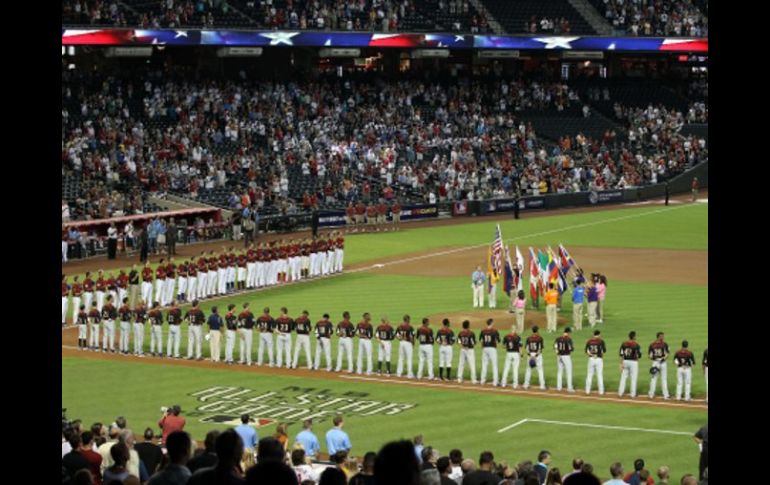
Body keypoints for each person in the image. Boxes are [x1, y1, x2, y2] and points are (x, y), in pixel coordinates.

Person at [647, 332, 671, 400]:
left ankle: (653, 394)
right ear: (658, 337)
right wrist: (663, 359)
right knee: (659, 379)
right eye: (662, 336)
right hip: (662, 363)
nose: (663, 337)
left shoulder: (652, 344)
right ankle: (665, 395)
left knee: (657, 379)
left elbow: (649, 355)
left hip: (655, 363)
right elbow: (667, 354)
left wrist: (654, 359)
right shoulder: (664, 344)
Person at [618, 331, 642, 398]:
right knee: (633, 378)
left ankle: (620, 393)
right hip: (633, 362)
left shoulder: (624, 344)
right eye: (635, 336)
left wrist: (621, 363)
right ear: (634, 336)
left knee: (623, 377)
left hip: (625, 361)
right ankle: (633, 394)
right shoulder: (636, 345)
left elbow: (621, 354)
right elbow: (639, 355)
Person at [585, 330, 607, 395]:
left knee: (589, 375)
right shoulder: (601, 341)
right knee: (599, 375)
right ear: (599, 334)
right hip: (599, 359)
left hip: (591, 359)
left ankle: (587, 391)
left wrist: (592, 355)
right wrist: (599, 356)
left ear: (593, 334)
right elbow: (604, 351)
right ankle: (601, 392)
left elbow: (586, 351)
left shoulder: (589, 341)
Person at [479, 319, 500, 386]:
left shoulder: (483, 331)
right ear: (491, 323)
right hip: (492, 349)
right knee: (494, 365)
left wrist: (483, 347)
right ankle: (495, 382)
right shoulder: (494, 331)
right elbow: (497, 341)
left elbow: (481, 340)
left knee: (484, 365)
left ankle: (482, 380)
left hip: (485, 349)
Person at [524, 325, 546, 390]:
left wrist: (531, 356)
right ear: (537, 331)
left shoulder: (528, 338)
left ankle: (526, 385)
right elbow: (540, 349)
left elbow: (527, 348)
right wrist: (535, 356)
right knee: (540, 370)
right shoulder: (540, 338)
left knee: (528, 370)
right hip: (537, 355)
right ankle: (542, 386)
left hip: (530, 355)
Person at [457, 320, 477, 384]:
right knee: (472, 364)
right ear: (468, 326)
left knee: (461, 364)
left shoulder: (460, 333)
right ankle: (473, 379)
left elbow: (458, 342)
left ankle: (459, 378)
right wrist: (468, 346)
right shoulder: (471, 333)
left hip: (462, 350)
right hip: (469, 350)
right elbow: (473, 343)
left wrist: (463, 346)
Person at [555, 327, 575, 392]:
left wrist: (558, 353)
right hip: (566, 356)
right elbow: (571, 349)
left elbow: (555, 347)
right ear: (568, 332)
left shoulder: (558, 338)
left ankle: (559, 387)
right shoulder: (568, 339)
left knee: (560, 372)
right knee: (569, 372)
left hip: (559, 356)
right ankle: (569, 388)